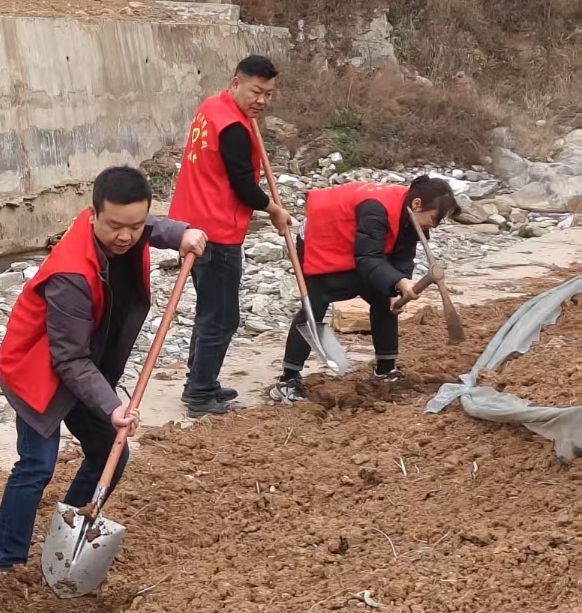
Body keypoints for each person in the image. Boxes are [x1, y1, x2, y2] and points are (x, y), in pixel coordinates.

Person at [0, 166, 207, 578]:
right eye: (115, 226)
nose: (126, 236)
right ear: (93, 215)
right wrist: (112, 407)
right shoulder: (70, 275)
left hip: (83, 366)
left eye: (134, 227)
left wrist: (181, 234)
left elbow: (150, 226)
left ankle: (67, 533)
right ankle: (5, 564)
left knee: (110, 452)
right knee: (37, 465)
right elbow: (68, 360)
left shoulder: (126, 225)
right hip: (36, 370)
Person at [168, 55, 292, 418]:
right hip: (216, 233)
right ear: (236, 83)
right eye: (256, 91)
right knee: (221, 317)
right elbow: (243, 187)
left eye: (269, 94)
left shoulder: (212, 106)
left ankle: (200, 381)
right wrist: (274, 210)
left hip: (190, 225)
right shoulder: (233, 129)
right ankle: (200, 394)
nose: (262, 100)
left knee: (209, 311)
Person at [269, 174, 460, 402]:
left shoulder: (411, 213)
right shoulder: (376, 209)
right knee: (317, 299)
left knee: (384, 297)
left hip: (355, 239)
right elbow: (368, 258)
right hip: (322, 235)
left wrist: (396, 290)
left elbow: (402, 257)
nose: (434, 225)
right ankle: (288, 379)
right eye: (433, 218)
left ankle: (386, 370)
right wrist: (399, 282)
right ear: (417, 204)